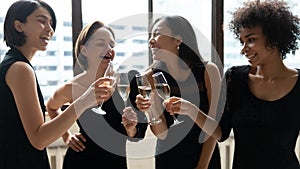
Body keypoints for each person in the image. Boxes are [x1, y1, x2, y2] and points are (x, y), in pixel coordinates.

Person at [165, 1, 300, 169]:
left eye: (251, 39)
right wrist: (192, 110)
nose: (244, 49)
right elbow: (220, 133)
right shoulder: (235, 78)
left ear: (274, 37)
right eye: (242, 41)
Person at [0, 1, 113, 169]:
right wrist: (84, 100)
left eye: (51, 24)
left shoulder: (14, 64)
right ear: (18, 26)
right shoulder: (20, 69)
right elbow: (39, 139)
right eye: (41, 21)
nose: (49, 29)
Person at [46, 20, 148, 169]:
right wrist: (67, 136)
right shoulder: (72, 88)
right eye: (101, 44)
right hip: (80, 162)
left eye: (112, 45)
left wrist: (131, 129)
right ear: (84, 50)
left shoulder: (127, 83)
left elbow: (140, 132)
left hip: (115, 163)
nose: (109, 49)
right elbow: (51, 107)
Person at [134, 15, 221, 169]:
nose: (151, 41)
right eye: (150, 36)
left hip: (205, 157)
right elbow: (162, 134)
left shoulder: (208, 71)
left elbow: (214, 126)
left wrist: (202, 165)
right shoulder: (150, 77)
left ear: (178, 40)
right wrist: (151, 108)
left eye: (157, 34)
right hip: (168, 159)